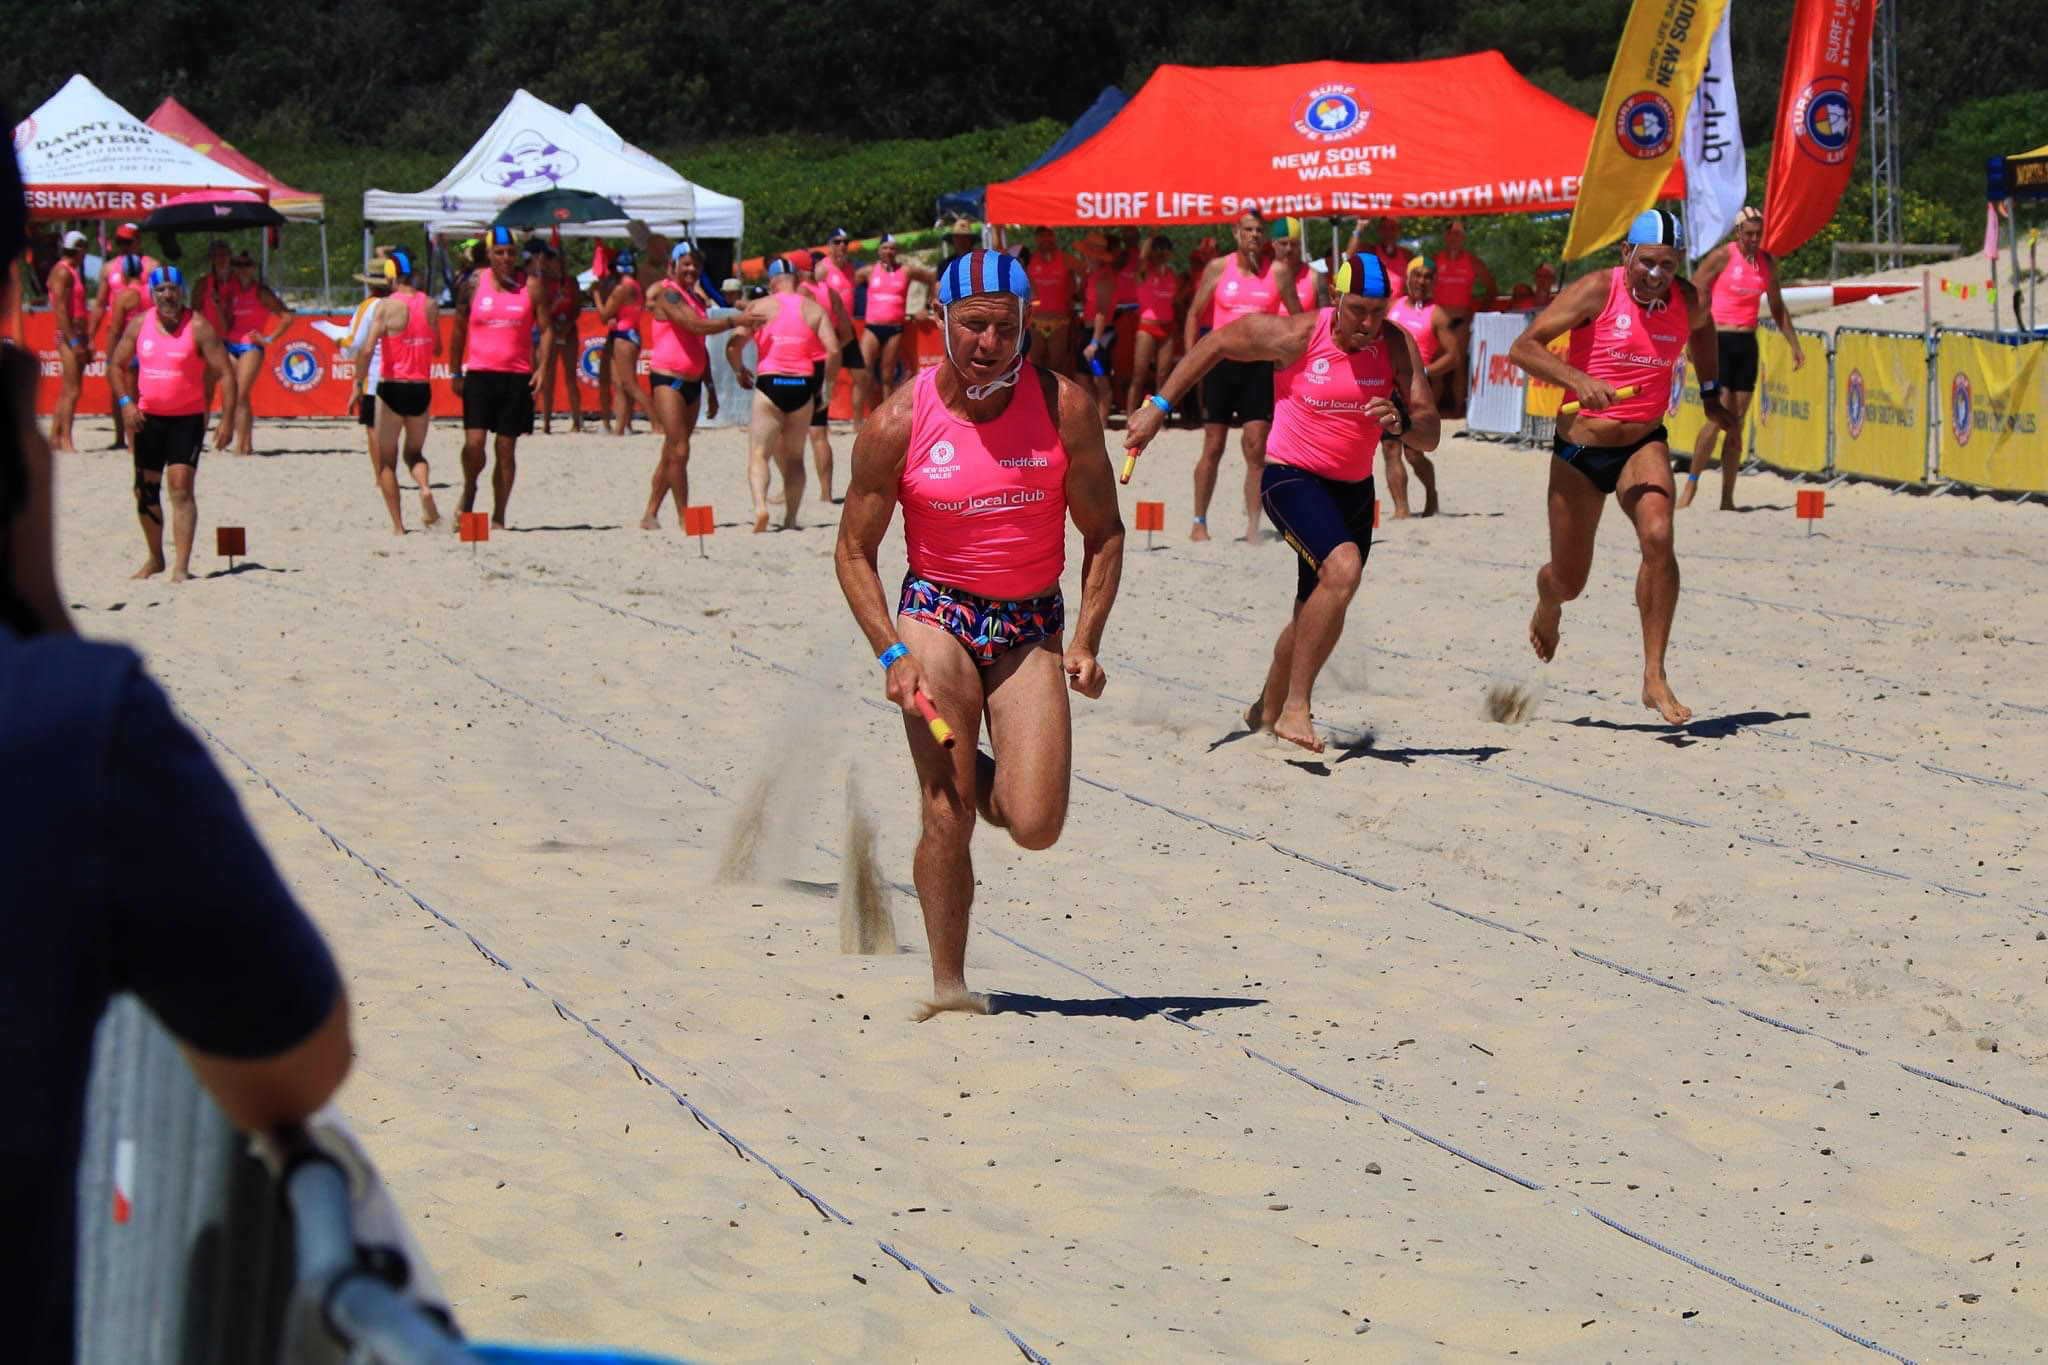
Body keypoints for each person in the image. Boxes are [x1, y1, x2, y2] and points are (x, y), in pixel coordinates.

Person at [1, 315, 351, 1365]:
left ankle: (177, 560)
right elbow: (295, 1061)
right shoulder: (71, 722)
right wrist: (38, 617)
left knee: (178, 492)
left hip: (179, 421)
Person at [833, 249, 1124, 1014]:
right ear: (941, 323)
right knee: (946, 813)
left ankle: (979, 772)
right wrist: (891, 652)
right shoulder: (898, 421)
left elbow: (1106, 533)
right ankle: (949, 984)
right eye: (972, 326)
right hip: (938, 614)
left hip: (1031, 620)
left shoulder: (1066, 408)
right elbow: (854, 551)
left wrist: (1088, 638)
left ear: (1028, 327)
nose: (987, 343)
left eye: (1003, 327)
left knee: (1034, 824)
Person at [1128, 253, 1436, 753]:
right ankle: (1297, 706)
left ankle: (1264, 710)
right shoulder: (1296, 336)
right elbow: (1215, 343)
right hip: (1290, 478)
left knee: (1314, 613)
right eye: (1358, 309)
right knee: (1343, 569)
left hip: (1353, 491)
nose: (1369, 323)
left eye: (1379, 311)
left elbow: (1432, 434)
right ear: (1335, 299)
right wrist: (1159, 408)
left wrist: (1401, 423)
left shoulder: (1396, 345)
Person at [1507, 209, 1730, 726]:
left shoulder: (1687, 300)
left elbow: (1704, 328)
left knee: (1659, 535)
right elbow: (1524, 347)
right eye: (1648, 262)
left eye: (1668, 266)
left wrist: (1713, 392)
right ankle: (1547, 605)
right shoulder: (1595, 291)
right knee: (1568, 580)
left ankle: (1654, 674)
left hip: (1642, 440)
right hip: (1581, 452)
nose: (1656, 275)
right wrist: (1576, 379)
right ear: (1626, 254)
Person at [106, 267, 238, 582]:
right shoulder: (140, 325)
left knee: (180, 488)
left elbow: (226, 374)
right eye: (162, 289)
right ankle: (155, 558)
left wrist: (227, 419)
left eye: (173, 288)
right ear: (152, 294)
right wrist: (126, 404)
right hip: (147, 419)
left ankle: (181, 567)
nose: (168, 295)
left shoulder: (199, 326)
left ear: (182, 291)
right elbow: (115, 365)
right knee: (145, 491)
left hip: (187, 419)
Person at [1183, 209, 1304, 541]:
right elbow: (1194, 314)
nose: (1254, 236)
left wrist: (1288, 360)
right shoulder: (1218, 268)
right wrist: (1192, 360)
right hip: (1221, 365)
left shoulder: (1278, 272)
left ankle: (1253, 525)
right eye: (1248, 230)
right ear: (1236, 233)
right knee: (1213, 445)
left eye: (1259, 231)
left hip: (1259, 368)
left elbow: (1298, 320)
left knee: (1255, 446)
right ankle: (1199, 521)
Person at [1680, 205, 1803, 511]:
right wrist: (1688, 340)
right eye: (1748, 233)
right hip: (1718, 340)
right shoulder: (1723, 256)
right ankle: (1691, 486)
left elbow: (1777, 307)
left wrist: (1794, 344)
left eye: (1758, 234)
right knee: (1716, 416)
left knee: (1737, 422)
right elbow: (1691, 292)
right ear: (1737, 233)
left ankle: (1727, 497)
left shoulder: (1766, 263)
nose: (1753, 239)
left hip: (1747, 342)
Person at [449, 226, 551, 529]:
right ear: (489, 255)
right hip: (480, 374)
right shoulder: (473, 283)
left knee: (506, 449)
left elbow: (546, 330)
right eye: (499, 253)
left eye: (510, 253)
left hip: (516, 376)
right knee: (475, 443)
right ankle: (469, 489)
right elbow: (457, 328)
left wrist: (543, 367)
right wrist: (455, 370)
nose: (506, 258)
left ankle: (498, 516)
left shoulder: (531, 285)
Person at [726, 257, 839, 532]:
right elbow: (834, 350)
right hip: (802, 385)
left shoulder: (761, 306)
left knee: (759, 453)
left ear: (772, 281)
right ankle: (790, 519)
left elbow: (733, 345)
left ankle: (761, 508)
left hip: (770, 383)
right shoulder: (813, 308)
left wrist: (739, 369)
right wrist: (828, 385)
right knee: (795, 458)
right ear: (796, 280)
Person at [638, 242, 736, 532]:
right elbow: (696, 327)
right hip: (668, 378)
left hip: (693, 381)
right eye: (687, 264)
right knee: (680, 450)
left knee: (673, 451)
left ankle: (650, 513)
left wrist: (711, 386)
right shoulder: (668, 293)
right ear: (675, 265)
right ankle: (685, 517)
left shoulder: (694, 297)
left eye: (696, 265)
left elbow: (699, 344)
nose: (692, 269)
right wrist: (735, 319)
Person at [351, 249, 443, 535]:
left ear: (390, 276)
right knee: (415, 453)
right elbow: (438, 348)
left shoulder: (386, 306)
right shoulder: (429, 304)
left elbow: (367, 349)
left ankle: (398, 526)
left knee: (386, 462)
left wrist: (358, 382)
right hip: (420, 388)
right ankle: (425, 488)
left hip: (391, 386)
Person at [1383, 256, 1458, 518]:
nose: (1421, 280)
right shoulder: (1392, 306)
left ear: (1434, 281)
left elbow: (1453, 355)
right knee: (1390, 448)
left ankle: (1431, 495)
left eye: (1427, 276)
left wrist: (1425, 371)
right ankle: (1401, 510)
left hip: (1416, 387)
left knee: (1414, 452)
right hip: (1389, 384)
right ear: (1408, 277)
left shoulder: (1437, 314)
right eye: (1417, 274)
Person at [210, 249, 293, 456]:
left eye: (247, 265)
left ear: (253, 268)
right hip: (232, 342)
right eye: (238, 265)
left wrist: (269, 338)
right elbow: (227, 324)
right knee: (233, 394)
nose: (242, 269)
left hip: (250, 345)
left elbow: (287, 316)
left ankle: (242, 444)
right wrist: (218, 306)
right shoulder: (231, 291)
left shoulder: (260, 291)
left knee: (241, 394)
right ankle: (244, 444)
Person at [802, 254, 857, 504]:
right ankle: (826, 493)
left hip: (799, 364)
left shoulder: (798, 295)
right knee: (819, 432)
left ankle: (786, 491)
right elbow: (846, 334)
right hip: (823, 363)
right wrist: (827, 348)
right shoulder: (831, 292)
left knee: (785, 434)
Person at [856, 234, 935, 406]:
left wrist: (926, 307)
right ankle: (863, 418)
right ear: (879, 251)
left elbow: (931, 279)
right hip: (872, 328)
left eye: (892, 248)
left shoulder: (905, 271)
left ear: (896, 251)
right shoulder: (869, 270)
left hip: (895, 328)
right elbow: (845, 287)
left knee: (887, 375)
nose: (888, 251)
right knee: (864, 371)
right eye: (885, 248)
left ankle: (885, 415)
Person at [1433, 220, 1495, 416]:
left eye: (1457, 234)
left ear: (1463, 238)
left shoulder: (1473, 262)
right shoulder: (1435, 260)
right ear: (1445, 237)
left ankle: (1459, 409)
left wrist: (1478, 314)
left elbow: (1492, 289)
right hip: (1438, 321)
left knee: (1459, 366)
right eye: (1450, 234)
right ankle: (1433, 410)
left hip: (1460, 322)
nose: (1453, 238)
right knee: (1437, 368)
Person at [341, 253, 394, 484]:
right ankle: (391, 473)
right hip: (404, 377)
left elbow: (355, 346)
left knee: (374, 429)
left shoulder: (369, 306)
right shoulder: (405, 303)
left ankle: (382, 475)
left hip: (375, 379)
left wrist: (357, 382)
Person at [597, 246, 655, 437]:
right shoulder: (635, 285)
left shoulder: (622, 288)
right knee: (620, 385)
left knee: (630, 385)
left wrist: (596, 296)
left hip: (623, 337)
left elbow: (604, 315)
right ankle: (620, 427)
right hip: (628, 333)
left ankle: (657, 421)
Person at [1124, 234, 1179, 427]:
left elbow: (1176, 302)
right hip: (1147, 326)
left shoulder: (1172, 274)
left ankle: (1159, 419)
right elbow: (1141, 259)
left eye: (1165, 248)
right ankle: (1130, 416)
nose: (1162, 252)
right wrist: (1152, 235)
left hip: (1168, 327)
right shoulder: (1145, 271)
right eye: (1158, 248)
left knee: (1163, 376)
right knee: (1139, 374)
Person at [45, 230, 91, 453]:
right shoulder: (63, 272)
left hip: (74, 333)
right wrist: (74, 342)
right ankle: (66, 439)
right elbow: (61, 310)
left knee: (68, 390)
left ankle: (55, 436)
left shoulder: (69, 271)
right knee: (73, 390)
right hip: (68, 335)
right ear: (79, 249)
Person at [819, 228, 871, 424]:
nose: (842, 245)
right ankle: (820, 423)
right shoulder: (822, 268)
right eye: (838, 242)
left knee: (861, 376)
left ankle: (857, 423)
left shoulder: (850, 269)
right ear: (829, 245)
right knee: (824, 378)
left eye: (845, 242)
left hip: (846, 331)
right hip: (827, 329)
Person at [533, 243, 584, 435]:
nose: (557, 264)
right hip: (549, 329)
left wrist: (569, 325)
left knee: (571, 376)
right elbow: (543, 311)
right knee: (548, 377)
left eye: (559, 260)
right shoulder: (542, 282)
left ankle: (577, 421)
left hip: (568, 330)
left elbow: (577, 307)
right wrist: (557, 302)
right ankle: (546, 422)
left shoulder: (571, 281)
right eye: (553, 260)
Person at [1025, 227, 1080, 378]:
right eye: (1041, 236)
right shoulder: (1030, 260)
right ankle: (1038, 401)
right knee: (1036, 369)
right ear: (1036, 239)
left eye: (1049, 235)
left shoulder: (1066, 259)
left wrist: (1076, 295)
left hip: (1060, 322)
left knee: (1056, 371)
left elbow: (1086, 274)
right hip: (1035, 322)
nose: (1046, 239)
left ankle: (1054, 401)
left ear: (1054, 237)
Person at [1349, 215, 1411, 285]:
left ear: (1398, 231)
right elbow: (1350, 256)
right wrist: (1359, 227)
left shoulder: (1406, 255)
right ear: (1379, 231)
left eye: (1392, 229)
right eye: (1385, 229)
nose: (1389, 233)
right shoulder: (1371, 251)